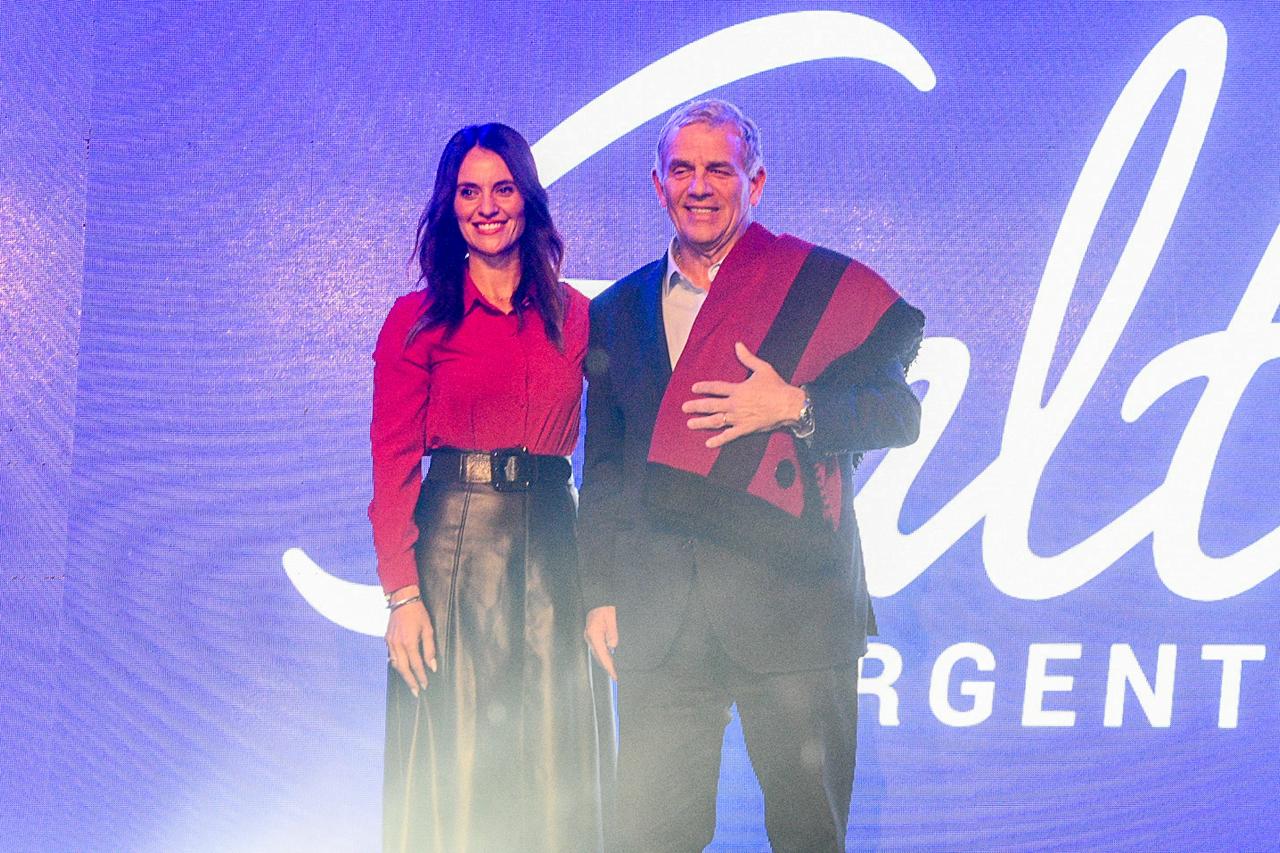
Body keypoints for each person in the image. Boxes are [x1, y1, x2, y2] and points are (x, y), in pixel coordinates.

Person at [579, 99, 924, 852]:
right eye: (682, 170)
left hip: (795, 605)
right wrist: (599, 592)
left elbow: (899, 415)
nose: (699, 186)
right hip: (662, 614)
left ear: (756, 182)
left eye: (719, 169)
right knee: (649, 839)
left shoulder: (813, 290)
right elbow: (602, 468)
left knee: (808, 836)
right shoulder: (616, 311)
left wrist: (796, 405)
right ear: (658, 184)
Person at [369, 123, 606, 852]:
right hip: (453, 554)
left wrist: (605, 585)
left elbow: (616, 450)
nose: (487, 206)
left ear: (528, 198)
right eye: (469, 192)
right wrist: (402, 596)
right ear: (450, 206)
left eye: (503, 188)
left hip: (555, 549)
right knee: (458, 776)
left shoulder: (578, 315)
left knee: (555, 772)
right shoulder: (414, 321)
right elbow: (391, 463)